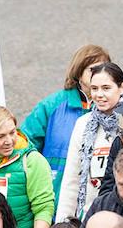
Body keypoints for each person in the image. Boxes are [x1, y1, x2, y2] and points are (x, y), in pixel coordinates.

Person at [23, 44, 110, 191]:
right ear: (78, 72)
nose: (99, 74)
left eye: (104, 68)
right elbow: (25, 149)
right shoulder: (51, 106)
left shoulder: (115, 108)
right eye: (93, 69)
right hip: (55, 196)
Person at [56, 61, 123, 223]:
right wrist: (62, 223)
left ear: (121, 88)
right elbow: (72, 178)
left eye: (106, 88)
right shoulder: (83, 124)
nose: (99, 94)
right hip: (90, 216)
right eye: (94, 89)